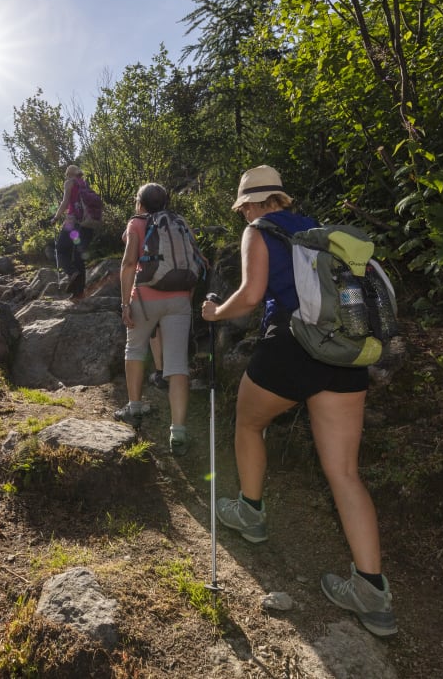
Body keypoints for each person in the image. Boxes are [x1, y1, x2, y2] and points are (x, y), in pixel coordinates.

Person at [201, 164, 397, 638]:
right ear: (282, 198)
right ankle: (373, 594)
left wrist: (213, 313)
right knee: (345, 472)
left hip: (290, 348)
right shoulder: (315, 231)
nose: (244, 212)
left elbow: (249, 296)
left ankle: (250, 512)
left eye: (244, 205)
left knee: (248, 424)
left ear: (252, 203)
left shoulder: (257, 231)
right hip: (343, 356)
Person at [115, 183, 192, 456]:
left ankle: (134, 409)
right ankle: (178, 432)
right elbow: (194, 260)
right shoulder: (179, 222)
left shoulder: (137, 222)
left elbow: (127, 264)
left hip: (146, 299)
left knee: (134, 349)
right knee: (177, 365)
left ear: (140, 203)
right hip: (180, 298)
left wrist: (125, 304)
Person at [51, 165, 94, 300]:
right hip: (88, 224)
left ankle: (71, 272)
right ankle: (79, 293)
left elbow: (65, 203)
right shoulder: (85, 184)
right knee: (78, 256)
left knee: (61, 250)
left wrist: (56, 218)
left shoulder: (69, 183)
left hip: (73, 223)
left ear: (69, 174)